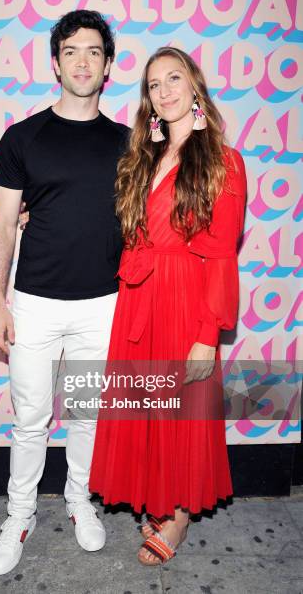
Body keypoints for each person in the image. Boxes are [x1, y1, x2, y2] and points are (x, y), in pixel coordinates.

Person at [88, 46, 247, 566]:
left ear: (194, 85)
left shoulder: (224, 160)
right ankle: (156, 499)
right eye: (154, 85)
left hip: (184, 299)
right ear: (148, 100)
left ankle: (176, 517)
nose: (165, 91)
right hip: (139, 298)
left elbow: (222, 254)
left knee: (181, 412)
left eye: (174, 78)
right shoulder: (144, 157)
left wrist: (208, 331)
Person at [0, 10, 129, 575]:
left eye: (94, 51)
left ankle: (77, 500)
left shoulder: (129, 142)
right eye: (71, 50)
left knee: (87, 415)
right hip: (36, 303)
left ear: (108, 65)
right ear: (55, 62)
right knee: (30, 418)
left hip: (103, 304)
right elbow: (1, 223)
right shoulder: (22, 137)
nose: (83, 60)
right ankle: (19, 514)